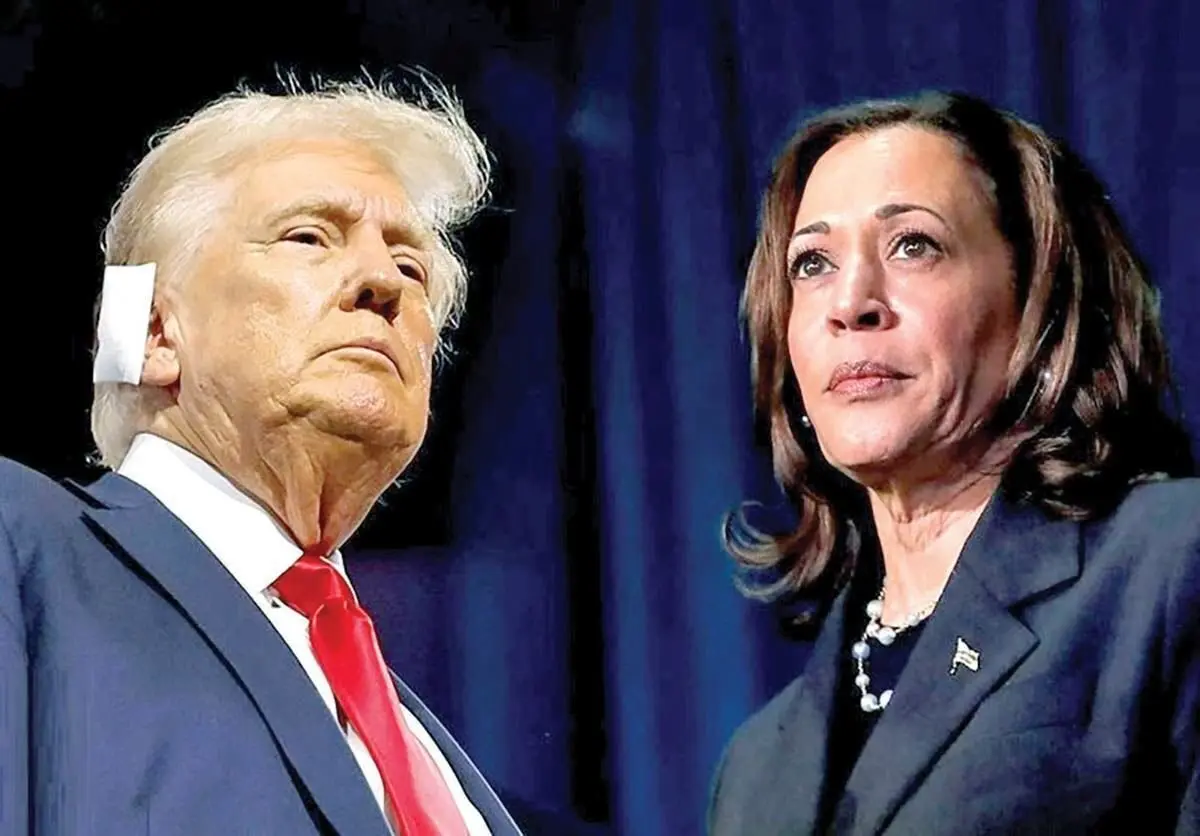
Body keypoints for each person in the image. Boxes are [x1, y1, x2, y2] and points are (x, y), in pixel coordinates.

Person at [0, 74, 524, 835]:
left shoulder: (429, 756)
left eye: (412, 269)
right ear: (154, 334)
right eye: (308, 237)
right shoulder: (20, 547)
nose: (384, 282)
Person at [707, 90, 1200, 834]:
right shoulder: (753, 770)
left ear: (1039, 302)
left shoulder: (1170, 565)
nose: (851, 303)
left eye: (913, 245)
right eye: (812, 263)